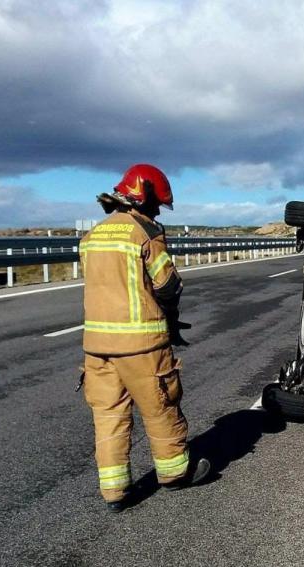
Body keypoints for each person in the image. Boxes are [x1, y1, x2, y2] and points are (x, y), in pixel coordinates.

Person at [79, 163, 210, 512]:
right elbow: (166, 284)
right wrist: (170, 317)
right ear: (146, 197)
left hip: (96, 347)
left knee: (109, 417)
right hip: (141, 345)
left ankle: (114, 492)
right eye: (156, 205)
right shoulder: (144, 234)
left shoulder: (94, 236)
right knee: (161, 408)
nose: (156, 211)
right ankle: (174, 473)